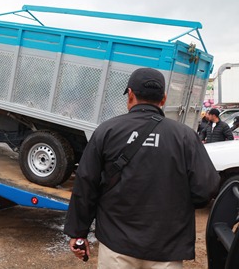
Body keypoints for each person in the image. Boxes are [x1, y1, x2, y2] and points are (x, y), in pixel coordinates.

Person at [64, 67, 220, 268]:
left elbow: (86, 184)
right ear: (163, 99)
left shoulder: (107, 131)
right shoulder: (185, 136)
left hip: (116, 244)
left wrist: (78, 232)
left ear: (130, 95)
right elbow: (206, 188)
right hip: (166, 247)